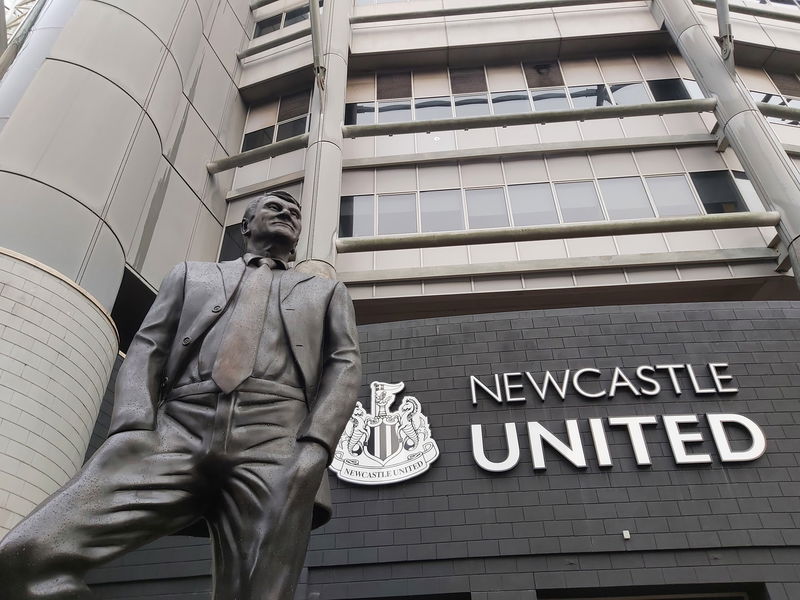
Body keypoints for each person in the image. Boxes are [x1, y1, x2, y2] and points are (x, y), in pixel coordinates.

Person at [0, 191, 362, 600]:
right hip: (177, 430)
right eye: (274, 208)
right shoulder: (191, 275)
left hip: (275, 440)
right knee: (23, 559)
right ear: (245, 225)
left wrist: (316, 446)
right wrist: (133, 426)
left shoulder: (326, 292)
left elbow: (344, 366)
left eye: (295, 213)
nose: (287, 214)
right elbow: (148, 347)